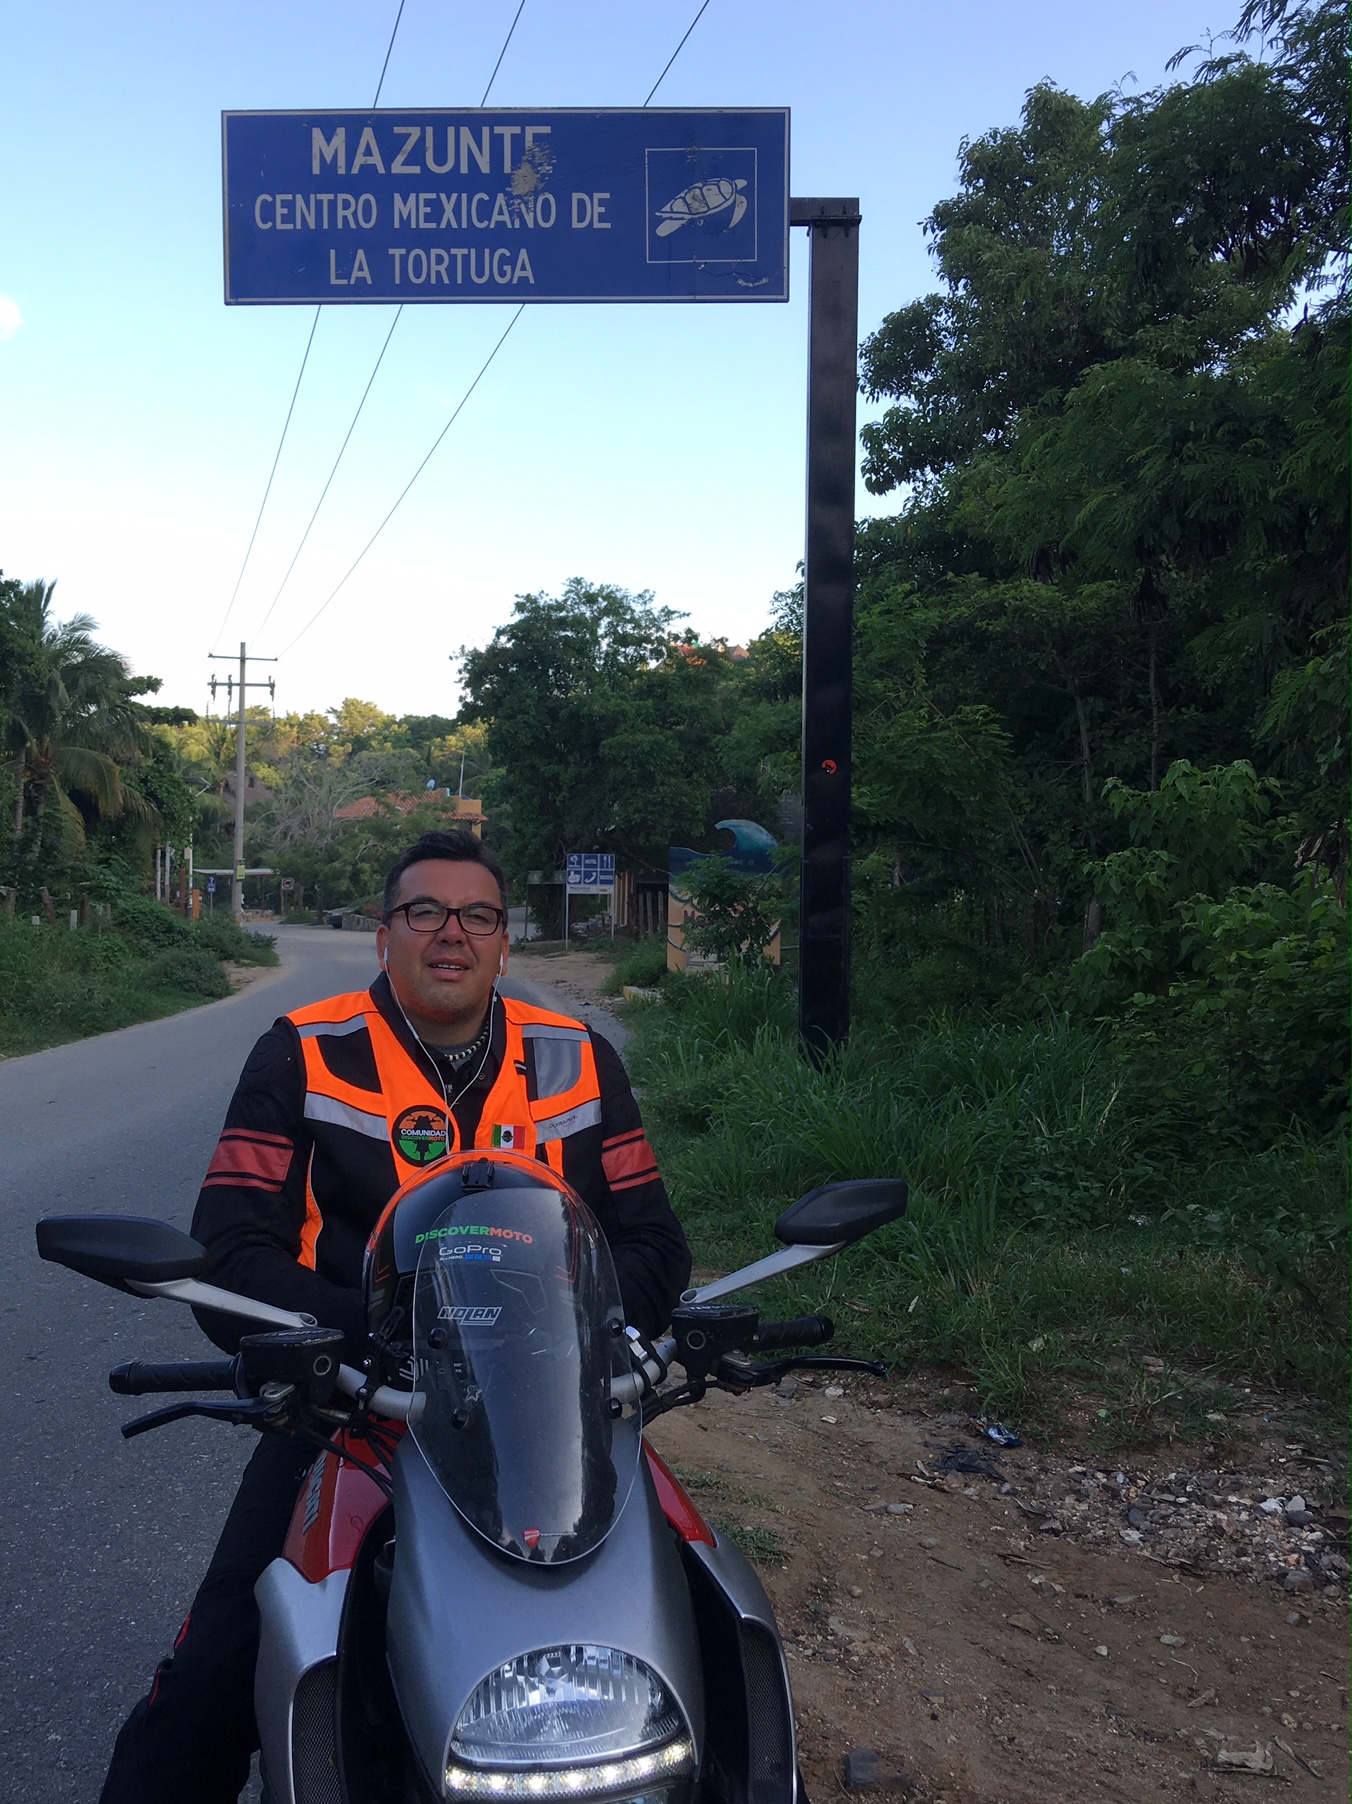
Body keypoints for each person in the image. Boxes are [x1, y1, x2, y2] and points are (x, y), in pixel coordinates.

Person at [99, 829, 691, 1804]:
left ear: (506, 944)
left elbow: (654, 1244)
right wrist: (371, 1339)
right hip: (350, 1404)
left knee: (702, 1606)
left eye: (476, 916)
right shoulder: (305, 1052)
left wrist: (566, 1331)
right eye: (423, 911)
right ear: (385, 935)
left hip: (559, 1410)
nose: (449, 933)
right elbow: (232, 1251)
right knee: (221, 1666)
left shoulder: (578, 1058)